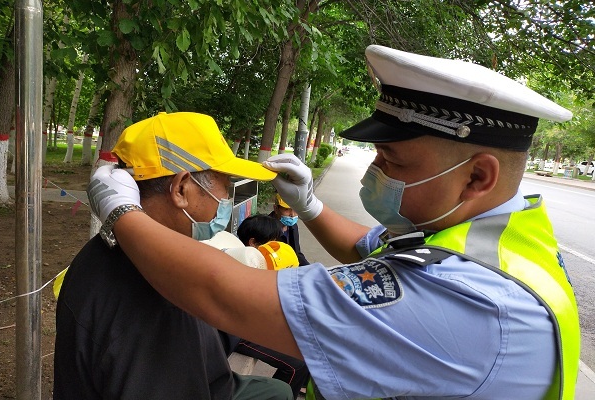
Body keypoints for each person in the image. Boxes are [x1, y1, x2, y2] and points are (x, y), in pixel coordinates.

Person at [86, 46, 580, 400]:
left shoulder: (468, 302)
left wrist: (121, 213)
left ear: (477, 176)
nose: (375, 171)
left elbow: (225, 295)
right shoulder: (492, 237)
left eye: (395, 161)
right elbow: (369, 251)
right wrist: (309, 206)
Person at [54, 112, 292, 400]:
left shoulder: (114, 253)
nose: (227, 200)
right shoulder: (158, 293)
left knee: (275, 391)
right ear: (181, 188)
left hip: (203, 376)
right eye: (225, 186)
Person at [223, 214, 311, 399]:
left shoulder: (262, 263)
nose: (275, 247)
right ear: (253, 243)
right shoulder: (237, 263)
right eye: (270, 242)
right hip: (238, 331)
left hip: (252, 323)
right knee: (297, 363)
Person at [270, 194, 310, 266]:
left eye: (295, 210)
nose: (292, 214)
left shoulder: (293, 226)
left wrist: (310, 269)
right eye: (287, 210)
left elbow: (297, 253)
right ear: (276, 209)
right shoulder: (267, 229)